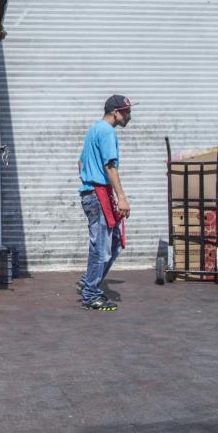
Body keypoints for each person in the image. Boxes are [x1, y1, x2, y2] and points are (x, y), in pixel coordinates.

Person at [76, 95, 134, 311]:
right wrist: (122, 197)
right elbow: (110, 166)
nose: (129, 116)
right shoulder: (107, 132)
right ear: (115, 113)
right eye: (126, 112)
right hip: (98, 194)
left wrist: (90, 181)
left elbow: (80, 163)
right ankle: (90, 293)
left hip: (94, 193)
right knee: (100, 247)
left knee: (115, 241)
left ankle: (89, 281)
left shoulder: (94, 130)